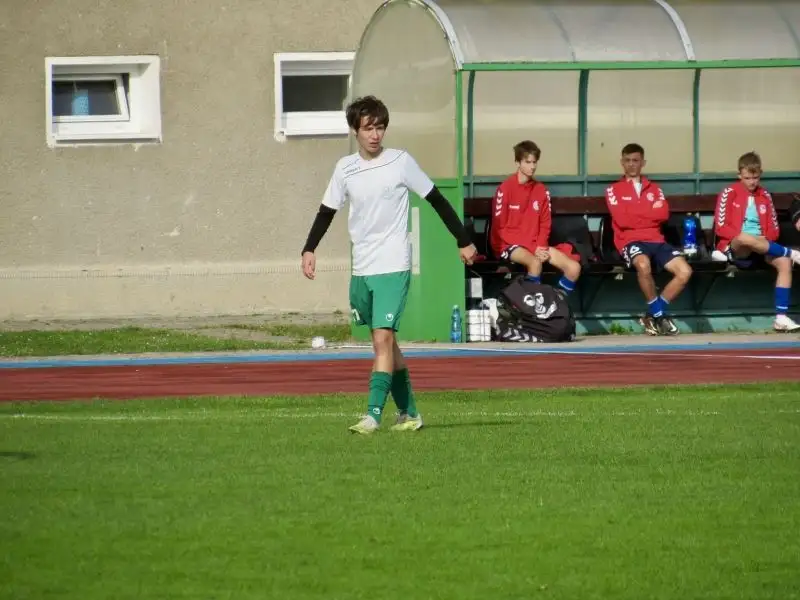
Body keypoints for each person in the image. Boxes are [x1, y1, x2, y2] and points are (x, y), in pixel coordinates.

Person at [300, 95, 478, 434]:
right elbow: (327, 211)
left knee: (383, 340)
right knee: (386, 344)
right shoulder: (345, 168)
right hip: (362, 268)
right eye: (368, 128)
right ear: (355, 130)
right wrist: (309, 248)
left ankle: (372, 414)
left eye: (380, 127)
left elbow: (436, 200)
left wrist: (463, 239)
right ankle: (410, 413)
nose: (375, 134)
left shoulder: (401, 162)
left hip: (393, 264)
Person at [604, 143, 693, 336]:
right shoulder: (613, 189)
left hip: (656, 240)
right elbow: (622, 220)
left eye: (635, 160)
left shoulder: (655, 189)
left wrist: (636, 215)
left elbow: (663, 214)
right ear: (622, 162)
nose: (631, 165)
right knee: (643, 265)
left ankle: (652, 314)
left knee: (685, 271)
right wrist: (647, 213)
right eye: (627, 161)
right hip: (630, 241)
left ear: (643, 163)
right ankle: (659, 315)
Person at [714, 152, 800, 332]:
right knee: (745, 237)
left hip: (763, 246)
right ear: (739, 175)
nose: (752, 182)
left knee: (784, 263)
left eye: (755, 177)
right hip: (737, 246)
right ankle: (792, 253)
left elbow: (774, 229)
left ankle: (781, 318)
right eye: (747, 178)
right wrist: (749, 239)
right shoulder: (729, 193)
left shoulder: (765, 196)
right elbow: (721, 227)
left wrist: (763, 240)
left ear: (760, 174)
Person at [489, 140, 582, 296]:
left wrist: (541, 245)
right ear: (517, 162)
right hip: (507, 244)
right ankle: (531, 312)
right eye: (527, 162)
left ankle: (554, 306)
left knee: (574, 268)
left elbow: (545, 223)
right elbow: (500, 230)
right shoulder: (505, 189)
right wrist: (534, 248)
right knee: (535, 263)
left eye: (534, 162)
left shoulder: (541, 190)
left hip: (535, 245)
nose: (532, 166)